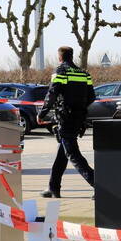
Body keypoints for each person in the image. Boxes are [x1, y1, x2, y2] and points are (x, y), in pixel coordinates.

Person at [38, 46, 96, 198]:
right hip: (79, 118)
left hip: (65, 118)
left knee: (72, 153)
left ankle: (97, 183)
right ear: (72, 56)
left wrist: (42, 113)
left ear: (60, 57)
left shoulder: (60, 72)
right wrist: (79, 107)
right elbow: (92, 97)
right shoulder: (84, 73)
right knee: (62, 153)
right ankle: (53, 187)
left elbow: (52, 94)